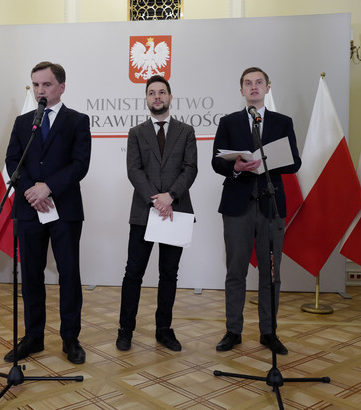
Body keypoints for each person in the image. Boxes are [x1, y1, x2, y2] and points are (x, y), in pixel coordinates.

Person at [5, 61, 91, 364]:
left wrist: (48, 188)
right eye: (36, 85)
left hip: (64, 210)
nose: (41, 90)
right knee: (30, 275)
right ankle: (33, 337)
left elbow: (80, 165)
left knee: (68, 274)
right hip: (29, 210)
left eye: (47, 84)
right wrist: (32, 192)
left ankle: (70, 339)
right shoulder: (23, 121)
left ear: (61, 87)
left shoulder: (78, 121)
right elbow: (13, 160)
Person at [211, 67, 301, 355]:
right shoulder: (228, 122)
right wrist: (235, 167)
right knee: (235, 271)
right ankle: (233, 330)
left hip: (271, 205)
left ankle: (269, 332)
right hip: (238, 205)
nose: (253, 87)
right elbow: (217, 162)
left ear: (267, 88)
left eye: (258, 83)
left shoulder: (282, 122)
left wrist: (268, 161)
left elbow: (295, 162)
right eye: (248, 84)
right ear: (241, 91)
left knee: (270, 274)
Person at [116, 75, 198, 352]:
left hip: (177, 211)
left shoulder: (186, 131)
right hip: (144, 212)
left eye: (162, 92)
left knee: (169, 274)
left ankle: (164, 330)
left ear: (170, 97)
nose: (157, 97)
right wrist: (156, 199)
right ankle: (125, 330)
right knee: (133, 273)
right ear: (147, 99)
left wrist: (170, 196)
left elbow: (190, 168)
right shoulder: (136, 133)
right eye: (152, 93)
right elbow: (133, 170)